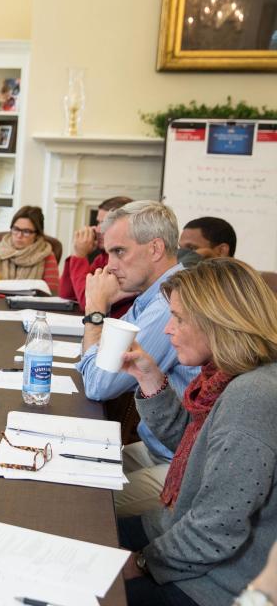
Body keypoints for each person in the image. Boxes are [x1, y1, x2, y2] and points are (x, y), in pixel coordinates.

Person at [117, 258, 277, 606]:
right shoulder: (228, 376)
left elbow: (215, 530)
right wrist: (149, 377)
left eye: (179, 319)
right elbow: (196, 452)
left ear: (219, 322)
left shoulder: (253, 395)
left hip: (214, 582)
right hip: (181, 532)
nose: (167, 330)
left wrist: (143, 562)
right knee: (82, 529)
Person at [77, 200, 201, 517]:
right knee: (74, 471)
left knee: (84, 508)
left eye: (120, 252)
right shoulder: (154, 293)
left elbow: (99, 383)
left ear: (155, 248)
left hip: (183, 460)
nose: (110, 265)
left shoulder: (168, 303)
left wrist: (95, 311)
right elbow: (100, 361)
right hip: (158, 445)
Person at [59, 195, 136, 317]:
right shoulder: (102, 258)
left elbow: (89, 302)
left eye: (104, 223)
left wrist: (79, 256)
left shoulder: (121, 261)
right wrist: (76, 254)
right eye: (98, 222)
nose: (97, 229)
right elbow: (67, 294)